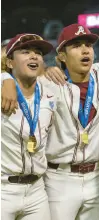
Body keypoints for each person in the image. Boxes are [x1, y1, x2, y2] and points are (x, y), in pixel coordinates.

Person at [1, 24, 99, 220]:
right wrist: (5, 78)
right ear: (61, 57)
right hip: (59, 178)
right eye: (76, 46)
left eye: (88, 45)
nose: (85, 50)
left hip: (97, 176)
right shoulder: (47, 85)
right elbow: (20, 77)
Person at [1, 33, 54, 220]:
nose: (34, 56)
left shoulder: (51, 91)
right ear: (9, 62)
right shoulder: (2, 89)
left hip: (37, 191)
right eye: (25, 51)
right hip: (4, 190)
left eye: (38, 52)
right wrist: (3, 78)